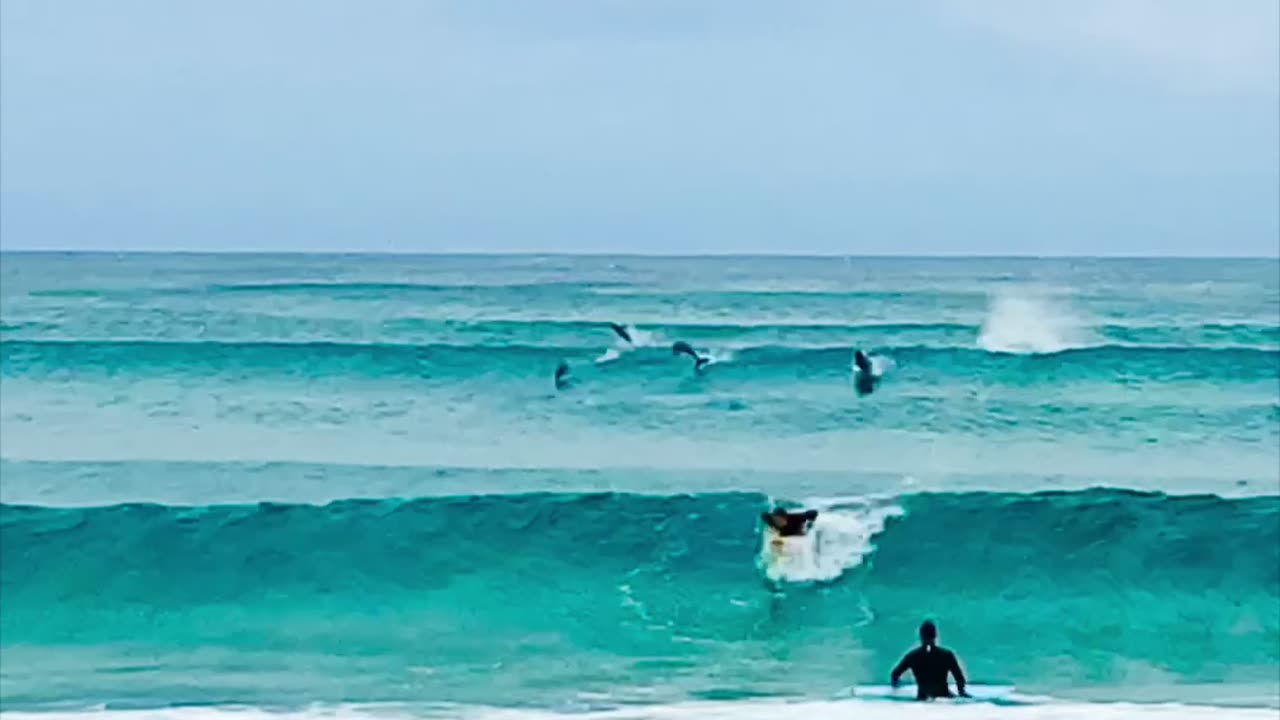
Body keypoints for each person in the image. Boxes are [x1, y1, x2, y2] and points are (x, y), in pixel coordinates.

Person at [891, 620, 969, 700]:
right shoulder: (946, 655)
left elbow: (895, 674)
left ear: (921, 635)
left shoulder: (913, 656)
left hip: (922, 697)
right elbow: (959, 678)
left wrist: (896, 686)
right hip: (943, 696)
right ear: (935, 635)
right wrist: (961, 691)